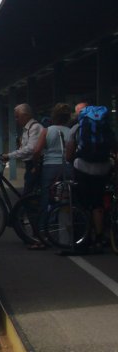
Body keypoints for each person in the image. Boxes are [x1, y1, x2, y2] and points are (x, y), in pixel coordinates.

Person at [65, 104, 116, 249]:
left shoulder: (76, 129)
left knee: (82, 203)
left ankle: (85, 236)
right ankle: (100, 237)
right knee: (98, 202)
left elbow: (69, 155)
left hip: (82, 168)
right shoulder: (106, 129)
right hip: (103, 169)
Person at [31, 103, 73, 249]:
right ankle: (65, 236)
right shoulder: (71, 131)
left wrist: (36, 165)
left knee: (46, 199)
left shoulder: (47, 130)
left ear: (53, 116)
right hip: (67, 168)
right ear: (68, 117)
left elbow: (37, 151)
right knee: (65, 200)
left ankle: (42, 237)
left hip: (50, 168)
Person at [1, 103, 43, 195]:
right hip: (30, 165)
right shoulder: (27, 129)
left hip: (35, 165)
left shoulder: (35, 127)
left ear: (25, 115)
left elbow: (31, 149)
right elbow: (24, 148)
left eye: (17, 117)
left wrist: (9, 155)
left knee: (28, 194)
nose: (16, 120)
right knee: (29, 192)